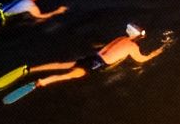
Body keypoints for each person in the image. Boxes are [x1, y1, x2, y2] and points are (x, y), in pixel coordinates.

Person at [16, 24, 168, 93]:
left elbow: (107, 46)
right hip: (98, 63)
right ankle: (42, 82)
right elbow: (141, 60)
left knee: (61, 64)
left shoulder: (121, 37)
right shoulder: (133, 47)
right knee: (68, 75)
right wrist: (157, 52)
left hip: (93, 56)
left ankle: (30, 69)